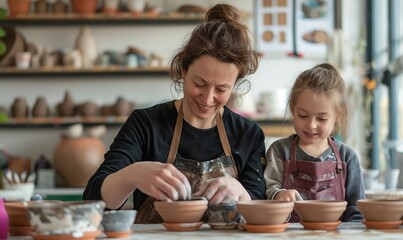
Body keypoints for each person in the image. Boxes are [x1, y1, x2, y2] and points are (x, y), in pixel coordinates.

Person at [83, 4, 266, 223]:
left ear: (235, 85)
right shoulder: (146, 124)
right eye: (199, 83)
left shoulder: (249, 134)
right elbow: (93, 198)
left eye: (221, 89)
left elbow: (261, 206)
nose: (207, 98)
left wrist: (241, 193)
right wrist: (132, 174)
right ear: (183, 70)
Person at [264, 63, 365, 222]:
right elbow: (268, 190)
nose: (311, 125)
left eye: (322, 118)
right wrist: (279, 195)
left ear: (337, 116)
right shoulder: (279, 150)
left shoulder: (348, 157)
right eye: (303, 115)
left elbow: (356, 210)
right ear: (292, 109)